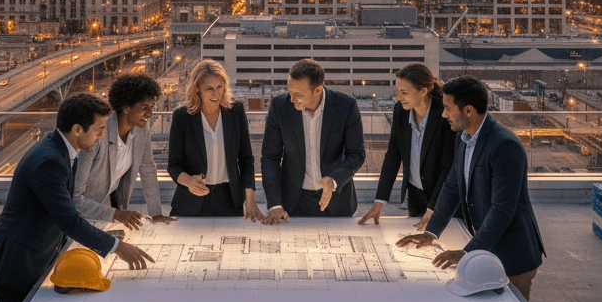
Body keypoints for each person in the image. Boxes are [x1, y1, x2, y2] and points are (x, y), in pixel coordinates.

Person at [0, 93, 154, 302]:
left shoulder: (61, 151)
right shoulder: (49, 162)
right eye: (99, 129)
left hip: (34, 259)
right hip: (15, 266)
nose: (103, 135)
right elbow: (69, 220)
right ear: (77, 129)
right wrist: (118, 247)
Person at [397, 76, 544, 302]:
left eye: (448, 108)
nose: (443, 114)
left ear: (468, 110)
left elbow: (502, 210)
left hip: (513, 254)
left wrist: (467, 254)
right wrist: (432, 232)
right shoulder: (464, 138)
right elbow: (452, 186)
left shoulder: (504, 145)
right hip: (487, 251)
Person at [260, 58, 365, 222]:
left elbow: (356, 154)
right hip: (293, 204)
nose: (292, 99)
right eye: (290, 92)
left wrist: (334, 180)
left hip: (336, 202)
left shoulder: (346, 106)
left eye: (298, 95)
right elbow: (269, 158)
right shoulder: (279, 107)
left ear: (317, 91)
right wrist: (275, 204)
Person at [359, 63, 456, 231]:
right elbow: (393, 156)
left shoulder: (444, 115)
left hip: (441, 198)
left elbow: (447, 168)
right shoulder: (401, 111)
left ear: (423, 91)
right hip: (415, 196)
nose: (399, 98)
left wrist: (434, 208)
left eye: (404, 93)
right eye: (398, 92)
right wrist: (379, 202)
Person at [73, 74, 174, 227]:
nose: (150, 114)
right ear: (126, 107)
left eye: (152, 107)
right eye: (144, 108)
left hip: (110, 208)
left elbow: (147, 167)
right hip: (81, 214)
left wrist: (156, 214)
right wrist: (117, 214)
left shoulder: (141, 129)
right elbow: (75, 197)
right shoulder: (98, 133)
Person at [167, 60, 261, 219]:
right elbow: (173, 165)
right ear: (197, 88)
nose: (216, 94)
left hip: (230, 201)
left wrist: (250, 200)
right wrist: (189, 181)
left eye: (219, 87)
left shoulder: (236, 112)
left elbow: (246, 160)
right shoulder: (182, 117)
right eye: (209, 88)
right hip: (190, 201)